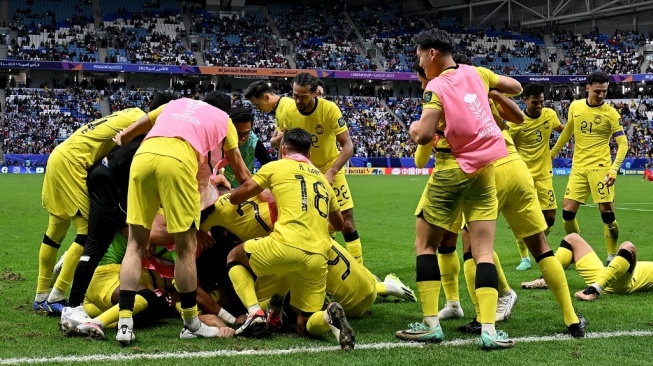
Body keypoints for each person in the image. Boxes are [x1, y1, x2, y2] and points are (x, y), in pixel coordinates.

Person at [396, 29, 523, 350]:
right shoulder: (477, 73)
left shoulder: (436, 86)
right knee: (482, 252)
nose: (420, 63)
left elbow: (424, 135)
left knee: (424, 245)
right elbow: (517, 87)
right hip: (485, 168)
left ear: (432, 53)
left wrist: (414, 128)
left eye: (420, 56)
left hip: (452, 168)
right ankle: (490, 330)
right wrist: (490, 91)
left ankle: (430, 325)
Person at [112, 92, 242, 345]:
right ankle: (192, 323)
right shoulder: (224, 119)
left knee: (135, 244)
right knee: (185, 248)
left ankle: (124, 322)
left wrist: (125, 137)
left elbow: (144, 123)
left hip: (142, 158)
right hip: (178, 162)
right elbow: (239, 167)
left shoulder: (177, 104)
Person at [225, 128, 355, 351]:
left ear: (283, 149)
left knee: (234, 257)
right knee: (304, 325)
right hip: (318, 255)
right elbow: (340, 225)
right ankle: (327, 318)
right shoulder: (323, 180)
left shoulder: (276, 167)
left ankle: (254, 311)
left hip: (284, 245)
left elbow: (239, 196)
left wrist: (231, 193)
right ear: (310, 154)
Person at [59, 92, 177, 325]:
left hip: (106, 179)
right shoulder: (155, 135)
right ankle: (72, 308)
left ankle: (74, 300)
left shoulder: (144, 131)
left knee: (94, 242)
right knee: (95, 246)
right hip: (109, 185)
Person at [35, 105, 149, 313]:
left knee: (55, 230)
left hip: (60, 154)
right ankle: (56, 295)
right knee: (89, 233)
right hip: (75, 163)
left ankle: (41, 295)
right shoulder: (143, 123)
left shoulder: (131, 111)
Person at [246, 74, 364, 265]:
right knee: (313, 221)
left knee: (346, 220)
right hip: (303, 172)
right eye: (295, 95)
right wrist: (277, 151)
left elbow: (348, 146)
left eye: (303, 96)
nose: (298, 101)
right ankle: (327, 267)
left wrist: (332, 171)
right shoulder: (287, 110)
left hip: (329, 167)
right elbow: (284, 143)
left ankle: (360, 268)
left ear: (315, 93)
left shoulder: (329, 109)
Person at [550, 71, 628, 265]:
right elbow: (568, 131)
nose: (601, 95)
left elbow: (623, 143)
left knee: (607, 213)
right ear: (587, 88)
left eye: (604, 91)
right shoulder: (575, 107)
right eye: (597, 91)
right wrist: (551, 154)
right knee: (567, 212)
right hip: (578, 167)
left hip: (601, 168)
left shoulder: (611, 113)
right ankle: (579, 249)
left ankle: (611, 256)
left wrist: (614, 169)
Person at [507, 83, 565, 271]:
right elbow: (507, 148)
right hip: (522, 176)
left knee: (550, 217)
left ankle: (534, 243)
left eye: (541, 102)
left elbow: (562, 130)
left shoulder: (550, 114)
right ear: (525, 100)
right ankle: (525, 257)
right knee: (524, 217)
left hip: (544, 175)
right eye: (535, 102)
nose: (539, 106)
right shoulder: (516, 122)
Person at [527, 233, 653, 301]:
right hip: (604, 274)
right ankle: (548, 278)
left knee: (628, 246)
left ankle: (594, 291)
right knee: (572, 238)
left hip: (622, 283)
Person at [222, 107, 273, 188]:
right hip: (220, 187)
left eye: (246, 133)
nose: (242, 137)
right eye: (238, 133)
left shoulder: (253, 142)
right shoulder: (220, 139)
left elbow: (270, 167)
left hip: (242, 188)